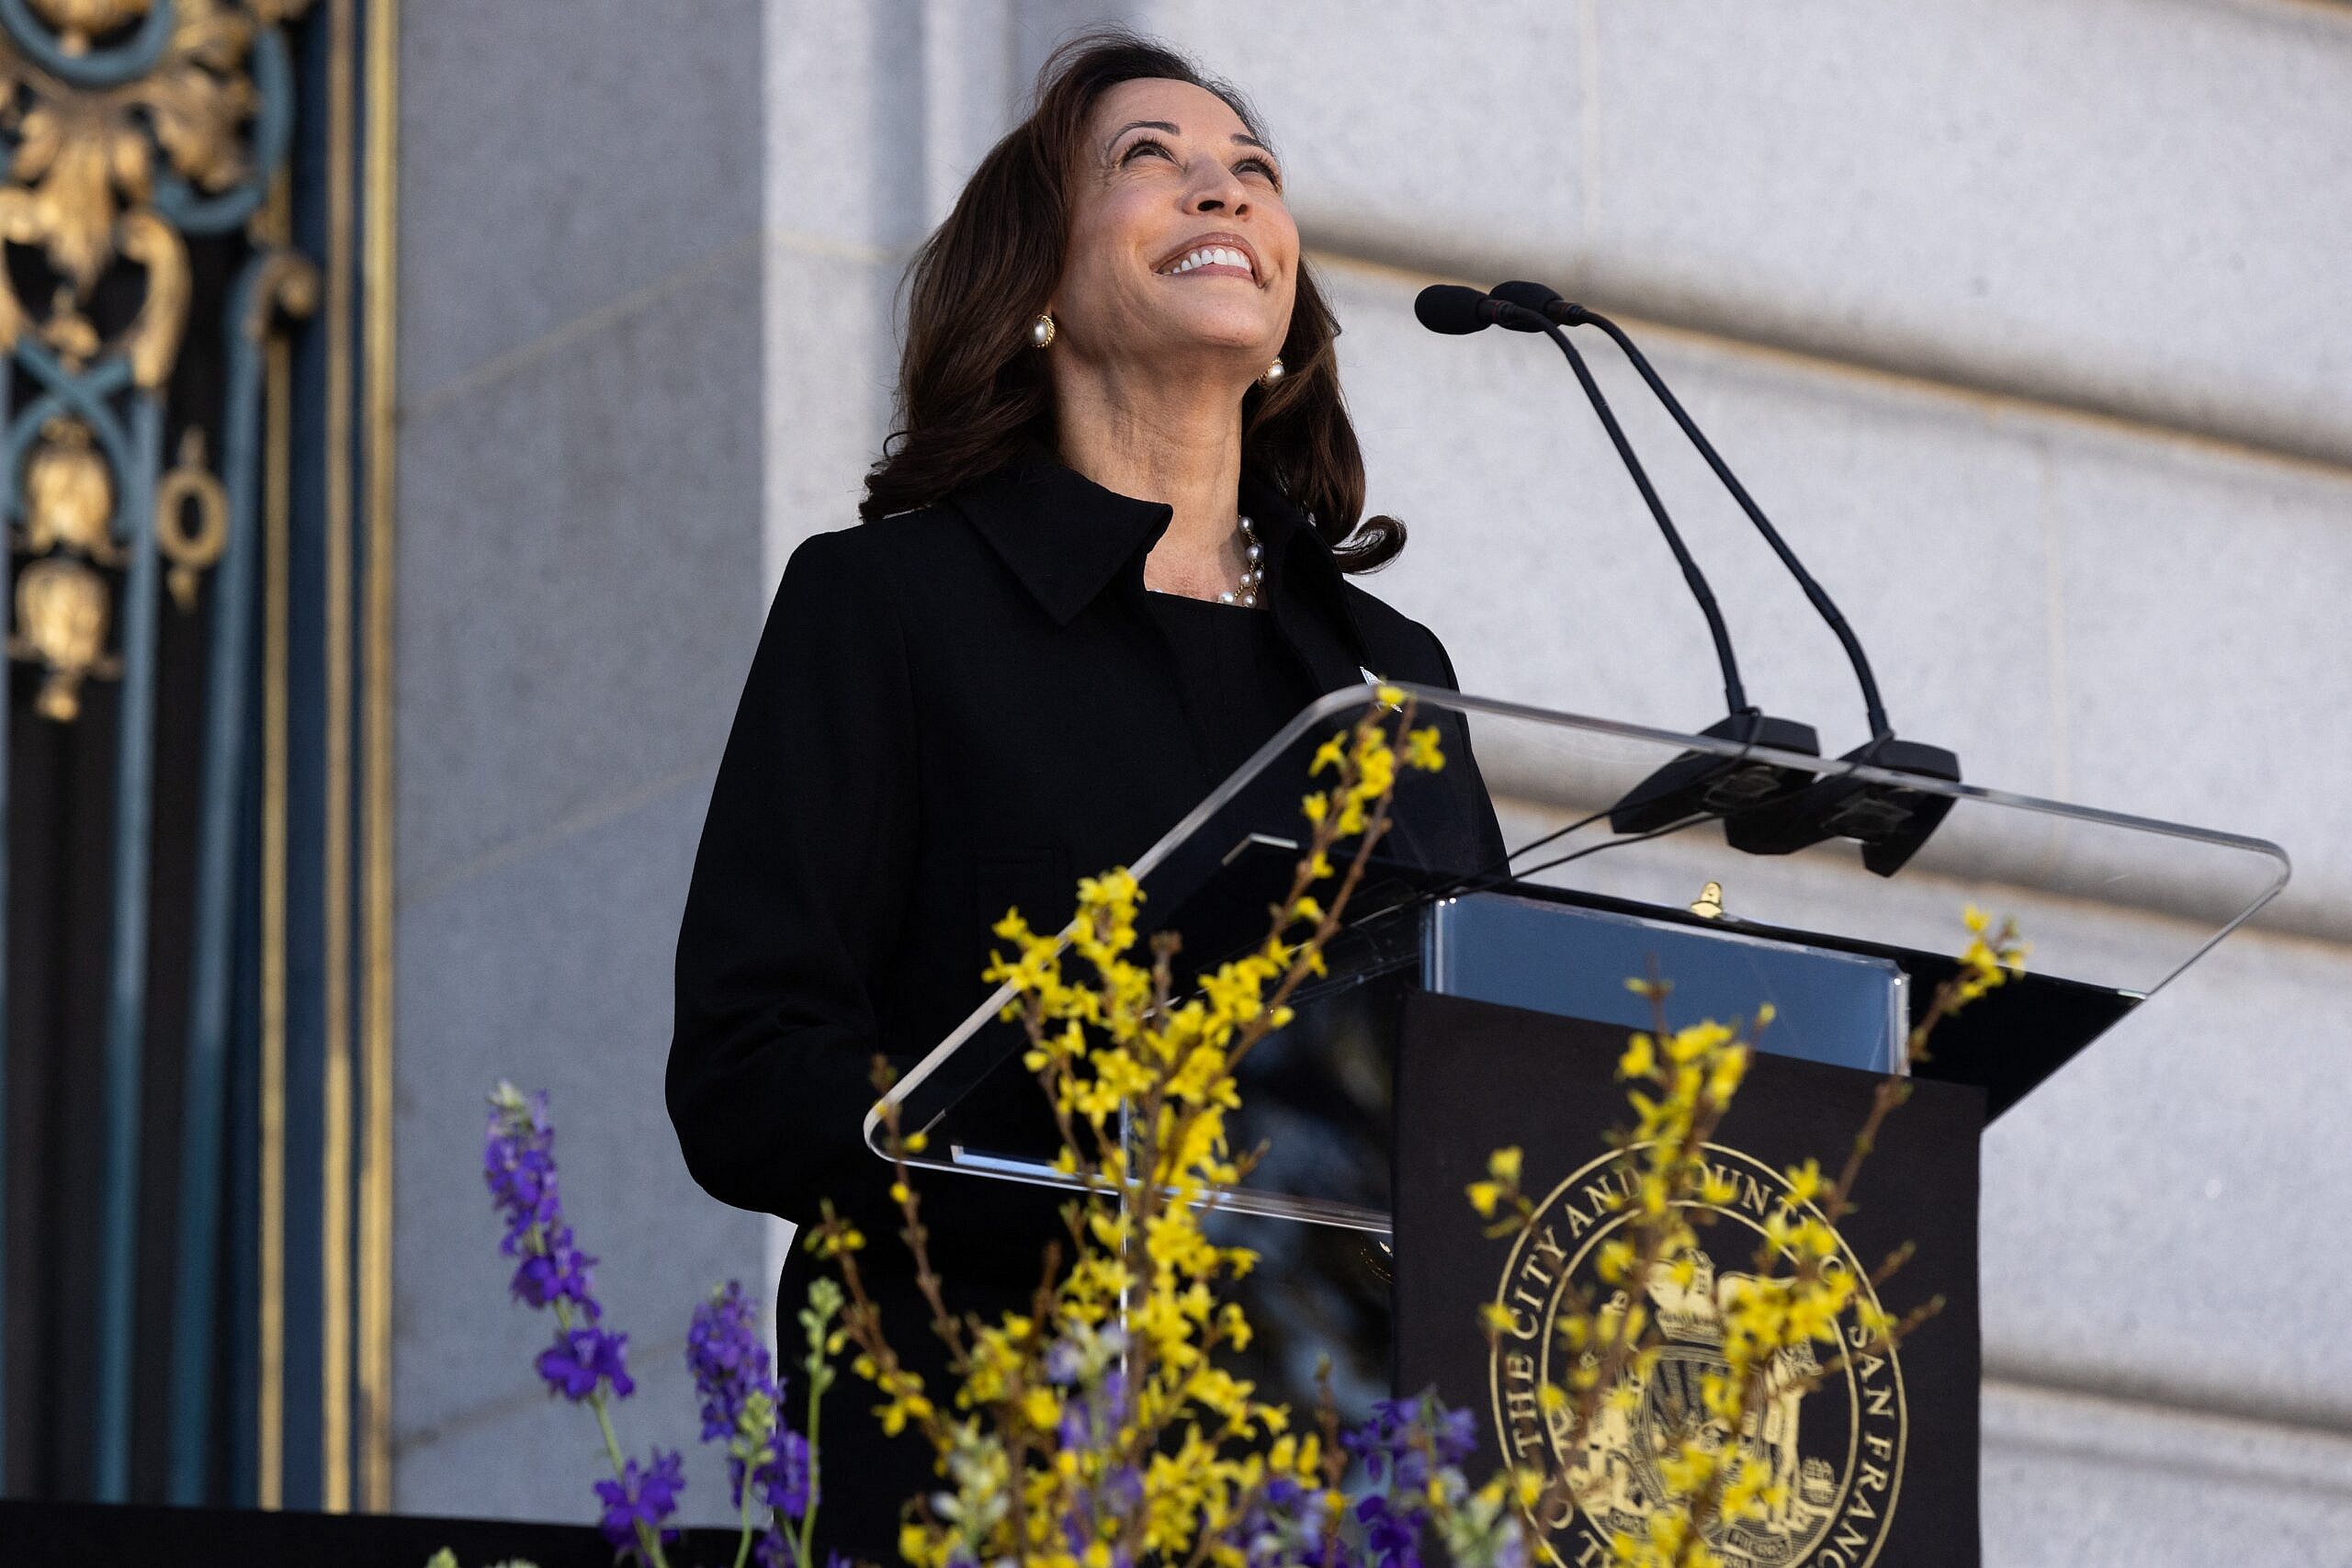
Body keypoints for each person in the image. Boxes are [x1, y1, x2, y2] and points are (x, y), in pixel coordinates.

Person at [667, 29, 1501, 1558]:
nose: (1223, 190)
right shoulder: (892, 608)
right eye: (1149, 160)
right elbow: (749, 1072)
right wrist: (1081, 1172)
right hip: (997, 1443)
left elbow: (1483, 1075)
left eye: (1253, 171)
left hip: (1344, 1468)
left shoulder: (1390, 673)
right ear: (1036, 280)